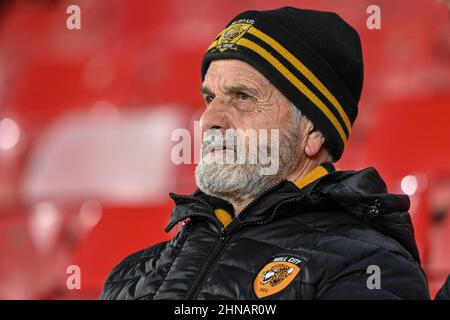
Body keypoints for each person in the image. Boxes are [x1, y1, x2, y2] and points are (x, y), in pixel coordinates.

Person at [100, 7, 430, 300]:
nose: (209, 121)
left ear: (312, 132)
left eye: (242, 96)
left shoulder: (370, 268)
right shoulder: (131, 275)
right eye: (209, 97)